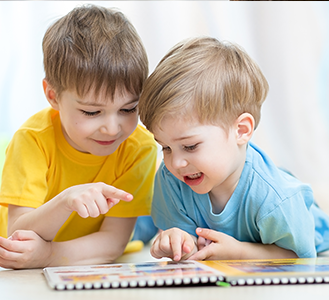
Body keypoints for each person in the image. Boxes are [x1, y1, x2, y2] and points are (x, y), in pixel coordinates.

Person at [0, 4, 157, 269]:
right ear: (53, 96)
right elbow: (17, 234)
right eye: (92, 112)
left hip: (104, 229)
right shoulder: (31, 139)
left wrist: (48, 256)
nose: (113, 129)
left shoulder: (139, 145)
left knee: (148, 226)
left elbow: (113, 242)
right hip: (29, 222)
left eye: (128, 109)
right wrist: (66, 201)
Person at [138, 36, 329, 262]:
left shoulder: (276, 199)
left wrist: (239, 252)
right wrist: (177, 239)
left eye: (190, 146)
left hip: (303, 229)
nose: (175, 163)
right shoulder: (172, 180)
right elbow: (188, 246)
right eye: (166, 148)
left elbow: (302, 256)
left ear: (241, 130)